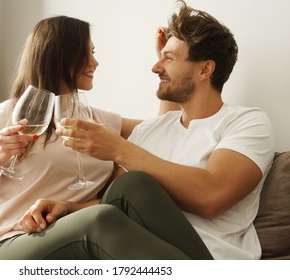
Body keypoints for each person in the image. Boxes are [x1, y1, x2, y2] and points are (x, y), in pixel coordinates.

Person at [30, 1, 275, 260]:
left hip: (211, 258)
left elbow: (212, 196)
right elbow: (114, 203)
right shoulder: (151, 130)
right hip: (135, 253)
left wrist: (119, 149)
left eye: (168, 59)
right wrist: (68, 208)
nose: (155, 68)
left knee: (134, 184)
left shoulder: (247, 122)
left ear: (205, 69)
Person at [0, 15, 141, 259]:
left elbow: (163, 129)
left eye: (93, 52)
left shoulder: (94, 119)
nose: (95, 62)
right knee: (101, 220)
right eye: (85, 53)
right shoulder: (7, 114)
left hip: (79, 239)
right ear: (60, 56)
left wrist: (167, 71)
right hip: (15, 240)